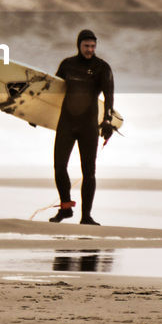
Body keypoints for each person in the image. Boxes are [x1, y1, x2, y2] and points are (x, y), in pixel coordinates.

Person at [49, 29, 115, 226]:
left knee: (89, 172)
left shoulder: (102, 67)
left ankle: (86, 216)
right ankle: (66, 207)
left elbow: (109, 95)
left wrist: (108, 120)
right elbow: (52, 92)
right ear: (79, 45)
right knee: (59, 167)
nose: (90, 50)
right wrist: (34, 113)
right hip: (66, 123)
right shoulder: (67, 65)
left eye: (93, 46)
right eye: (86, 46)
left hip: (88, 126)